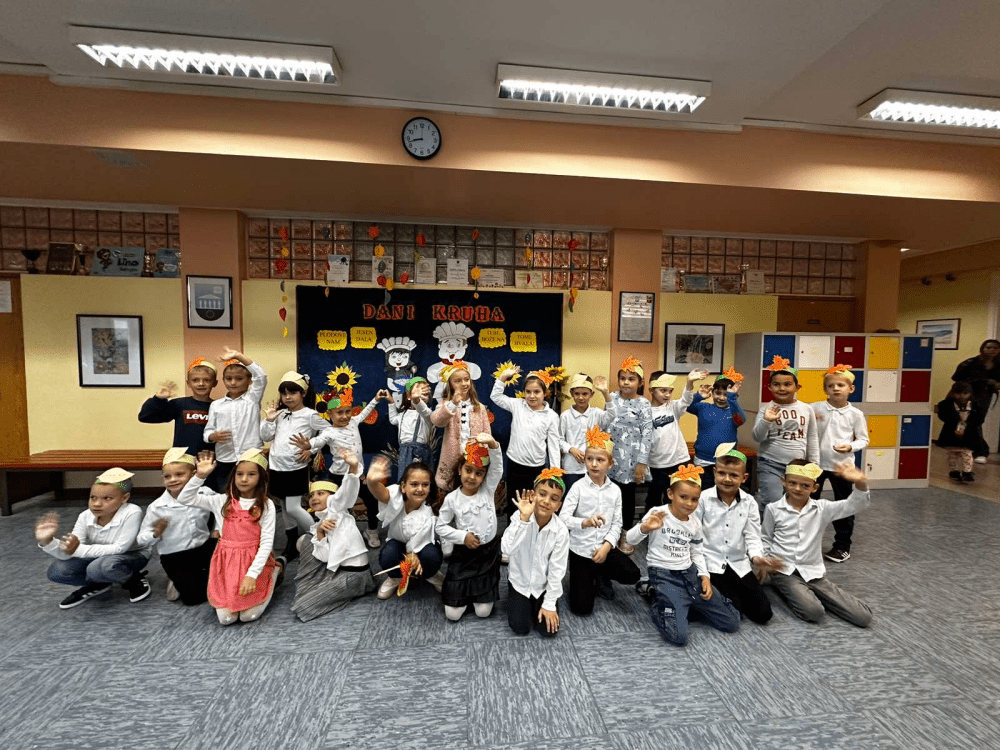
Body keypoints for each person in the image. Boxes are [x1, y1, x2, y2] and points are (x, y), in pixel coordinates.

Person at [628, 464, 740, 646]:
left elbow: (697, 552)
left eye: (695, 499)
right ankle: (657, 600)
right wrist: (644, 528)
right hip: (663, 574)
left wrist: (705, 576)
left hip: (689, 574)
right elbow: (630, 540)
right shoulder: (658, 513)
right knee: (678, 636)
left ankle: (682, 604)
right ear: (670, 494)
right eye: (683, 497)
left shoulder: (695, 523)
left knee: (732, 621)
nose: (689, 504)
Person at [762, 459, 873, 627]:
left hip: (812, 571)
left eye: (805, 485)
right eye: (792, 483)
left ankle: (808, 593)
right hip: (783, 571)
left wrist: (860, 482)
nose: (797, 488)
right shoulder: (773, 509)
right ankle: (790, 589)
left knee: (863, 617)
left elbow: (854, 505)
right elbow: (765, 538)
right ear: (783, 482)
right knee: (814, 612)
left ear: (814, 488)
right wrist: (766, 563)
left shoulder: (822, 508)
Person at [178, 449, 282, 625]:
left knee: (248, 616)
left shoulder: (266, 505)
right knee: (226, 619)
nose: (244, 479)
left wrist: (252, 575)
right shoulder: (220, 500)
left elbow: (266, 543)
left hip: (254, 562)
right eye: (239, 474)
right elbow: (184, 498)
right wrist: (200, 476)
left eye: (251, 474)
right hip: (227, 564)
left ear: (261, 478)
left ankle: (273, 571)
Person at [35, 468, 152, 609]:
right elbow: (70, 552)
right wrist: (48, 541)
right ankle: (99, 584)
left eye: (107, 498)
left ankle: (133, 579)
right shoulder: (85, 516)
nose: (96, 504)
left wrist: (77, 549)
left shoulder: (132, 512)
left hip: (133, 555)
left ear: (124, 498)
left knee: (97, 567)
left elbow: (120, 548)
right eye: (93, 497)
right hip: (101, 556)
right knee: (57, 571)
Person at [693, 443, 782, 624]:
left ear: (744, 477)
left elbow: (752, 535)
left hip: (738, 563)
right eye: (722, 473)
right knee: (734, 610)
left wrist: (757, 558)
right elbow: (694, 537)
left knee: (763, 614)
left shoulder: (749, 502)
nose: (727, 479)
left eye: (734, 475)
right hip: (711, 564)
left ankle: (730, 597)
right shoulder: (702, 499)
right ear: (714, 472)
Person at [559, 426, 640, 612]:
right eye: (589, 459)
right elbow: (563, 518)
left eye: (600, 460)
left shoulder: (615, 491)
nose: (594, 464)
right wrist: (584, 522)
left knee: (632, 574)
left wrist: (606, 546)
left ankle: (602, 574)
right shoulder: (578, 487)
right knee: (581, 609)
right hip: (581, 550)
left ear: (610, 464)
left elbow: (617, 524)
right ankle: (587, 576)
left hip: (604, 548)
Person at [290, 453, 377, 621]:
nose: (315, 498)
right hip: (341, 572)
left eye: (320, 493)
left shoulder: (337, 509)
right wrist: (320, 533)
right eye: (312, 495)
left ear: (332, 497)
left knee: (303, 606)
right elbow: (325, 557)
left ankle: (361, 586)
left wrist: (353, 469)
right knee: (307, 540)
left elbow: (345, 493)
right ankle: (350, 588)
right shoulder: (320, 523)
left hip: (354, 576)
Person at [302, 386, 387, 549]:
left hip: (358, 475)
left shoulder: (354, 422)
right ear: (330, 414)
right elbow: (318, 441)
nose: (345, 416)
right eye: (339, 413)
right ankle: (336, 533)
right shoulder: (328, 431)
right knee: (336, 506)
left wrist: (376, 399)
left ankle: (371, 530)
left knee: (371, 501)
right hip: (338, 477)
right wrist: (309, 445)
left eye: (348, 411)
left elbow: (365, 413)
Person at [260, 371, 327, 560]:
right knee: (284, 505)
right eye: (284, 393)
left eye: (293, 392)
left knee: (293, 507)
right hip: (276, 466)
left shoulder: (310, 415)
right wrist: (269, 419)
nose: (288, 397)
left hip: (295, 467)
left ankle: (318, 535)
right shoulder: (280, 414)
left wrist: (311, 448)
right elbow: (265, 436)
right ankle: (291, 542)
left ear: (303, 393)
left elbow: (329, 432)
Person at [136, 449, 216, 605]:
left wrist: (217, 530)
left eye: (179, 474)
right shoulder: (157, 507)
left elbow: (223, 509)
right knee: (193, 599)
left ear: (193, 475)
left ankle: (197, 576)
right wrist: (155, 533)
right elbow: (141, 540)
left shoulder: (205, 493)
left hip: (204, 549)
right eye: (167, 476)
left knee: (230, 575)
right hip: (175, 557)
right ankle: (179, 579)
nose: (173, 480)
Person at [436, 435, 503, 621]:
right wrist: (462, 536)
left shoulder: (488, 490)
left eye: (479, 473)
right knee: (452, 615)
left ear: (484, 477)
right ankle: (463, 594)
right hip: (464, 557)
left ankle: (478, 595)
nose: (472, 477)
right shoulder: (452, 499)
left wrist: (493, 444)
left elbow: (497, 468)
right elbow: (440, 526)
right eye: (468, 470)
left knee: (483, 612)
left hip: (487, 556)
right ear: (460, 469)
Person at [594, 355, 653, 553]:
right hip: (611, 458)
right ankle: (605, 533)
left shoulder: (644, 404)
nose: (626, 382)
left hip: (631, 461)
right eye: (623, 378)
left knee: (626, 498)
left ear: (640, 382)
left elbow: (647, 434)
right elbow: (604, 425)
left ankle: (625, 534)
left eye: (631, 379)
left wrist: (641, 463)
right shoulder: (611, 397)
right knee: (608, 496)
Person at [811, 365, 870, 563]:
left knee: (844, 506)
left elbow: (863, 439)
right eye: (831, 386)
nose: (836, 388)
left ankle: (842, 546)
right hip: (815, 465)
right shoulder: (815, 408)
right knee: (809, 505)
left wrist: (850, 446)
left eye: (841, 385)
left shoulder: (856, 414)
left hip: (842, 468)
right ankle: (806, 543)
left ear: (851, 389)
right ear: (825, 389)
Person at [366, 457, 444, 599]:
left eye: (425, 485)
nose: (420, 489)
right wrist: (372, 482)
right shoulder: (396, 497)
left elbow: (423, 540)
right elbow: (381, 493)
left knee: (432, 556)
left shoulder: (430, 509)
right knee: (388, 555)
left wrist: (414, 556)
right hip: (398, 543)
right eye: (414, 484)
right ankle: (395, 577)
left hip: (422, 546)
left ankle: (431, 574)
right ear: (403, 486)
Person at [502, 476, 570, 637]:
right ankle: (518, 599)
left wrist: (550, 603)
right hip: (520, 582)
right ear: (533, 496)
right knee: (520, 628)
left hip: (542, 586)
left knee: (548, 631)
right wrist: (523, 519)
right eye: (542, 494)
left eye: (554, 499)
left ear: (558, 506)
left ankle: (540, 603)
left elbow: (557, 570)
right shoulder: (519, 517)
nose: (546, 501)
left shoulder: (561, 531)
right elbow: (506, 549)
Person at [752, 356, 819, 516]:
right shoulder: (766, 409)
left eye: (787, 384)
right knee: (772, 502)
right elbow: (757, 437)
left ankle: (787, 530)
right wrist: (767, 421)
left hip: (797, 466)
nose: (782, 388)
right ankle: (767, 530)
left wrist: (815, 464)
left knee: (794, 504)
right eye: (776, 384)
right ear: (769, 387)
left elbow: (812, 437)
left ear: (797, 387)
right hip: (770, 463)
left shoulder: (806, 409)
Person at [492, 367, 561, 513]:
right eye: (528, 392)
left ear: (545, 393)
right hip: (515, 465)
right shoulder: (518, 405)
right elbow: (496, 396)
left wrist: (555, 472)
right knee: (514, 503)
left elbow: (554, 445)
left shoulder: (551, 416)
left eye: (537, 392)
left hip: (537, 469)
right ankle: (512, 527)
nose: (532, 396)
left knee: (533, 505)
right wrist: (502, 378)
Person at [203, 349, 268, 492]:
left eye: (239, 379)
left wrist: (239, 356)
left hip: (251, 456)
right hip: (225, 458)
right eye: (228, 378)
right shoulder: (216, 405)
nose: (233, 383)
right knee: (226, 494)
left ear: (249, 381)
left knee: (253, 495)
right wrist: (213, 436)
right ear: (223, 380)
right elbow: (207, 431)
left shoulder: (252, 398)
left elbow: (261, 376)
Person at [646, 369, 708, 510]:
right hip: (656, 465)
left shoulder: (673, 407)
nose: (667, 395)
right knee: (654, 498)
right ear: (651, 390)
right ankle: (651, 523)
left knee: (677, 496)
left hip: (678, 461)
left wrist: (689, 383)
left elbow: (686, 400)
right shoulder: (645, 412)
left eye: (670, 391)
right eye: (663, 390)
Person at [430, 362, 492, 497]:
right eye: (457, 381)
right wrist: (453, 403)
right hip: (452, 457)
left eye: (466, 379)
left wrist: (481, 446)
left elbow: (487, 433)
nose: (464, 384)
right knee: (450, 490)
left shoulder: (479, 407)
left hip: (473, 458)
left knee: (471, 490)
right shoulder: (446, 404)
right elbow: (437, 421)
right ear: (450, 384)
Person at [138, 356, 217, 456]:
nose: (201, 384)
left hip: (209, 459)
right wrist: (158, 399)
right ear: (188, 383)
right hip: (182, 459)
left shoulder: (219, 407)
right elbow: (145, 417)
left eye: (207, 380)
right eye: (195, 380)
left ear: (214, 383)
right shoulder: (179, 404)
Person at [687, 368, 747, 489]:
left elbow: (741, 420)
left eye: (726, 394)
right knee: (704, 492)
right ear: (712, 392)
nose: (722, 397)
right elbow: (686, 406)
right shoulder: (703, 407)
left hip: (726, 462)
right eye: (718, 393)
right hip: (703, 461)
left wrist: (732, 398)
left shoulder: (733, 411)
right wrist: (699, 396)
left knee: (724, 491)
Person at [558, 373, 613, 493]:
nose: (581, 397)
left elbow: (612, 415)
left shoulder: (596, 414)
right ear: (571, 393)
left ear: (591, 394)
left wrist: (605, 393)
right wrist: (571, 449)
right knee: (572, 496)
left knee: (590, 497)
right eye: (577, 393)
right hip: (571, 468)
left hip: (592, 467)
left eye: (585, 394)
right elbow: (559, 440)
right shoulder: (565, 416)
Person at [950, 339, 1000, 462]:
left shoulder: (998, 365)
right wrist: (985, 381)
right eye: (988, 347)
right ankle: (981, 451)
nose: (992, 350)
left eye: (995, 348)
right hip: (967, 395)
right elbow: (957, 379)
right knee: (971, 421)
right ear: (982, 349)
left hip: (985, 395)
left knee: (976, 421)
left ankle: (975, 450)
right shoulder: (970, 363)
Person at [936, 381, 986, 484]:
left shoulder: (976, 405)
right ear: (953, 393)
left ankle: (967, 472)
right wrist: (955, 422)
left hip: (968, 434)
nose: (962, 396)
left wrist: (967, 427)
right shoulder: (946, 405)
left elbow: (979, 419)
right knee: (953, 454)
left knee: (967, 453)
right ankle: (954, 471)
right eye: (958, 393)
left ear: (970, 393)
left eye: (965, 393)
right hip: (952, 434)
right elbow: (943, 416)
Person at [387, 376, 435, 475]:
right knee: (404, 477)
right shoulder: (402, 415)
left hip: (420, 452)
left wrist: (416, 399)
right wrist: (391, 402)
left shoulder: (427, 414)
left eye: (425, 393)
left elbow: (421, 408)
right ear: (408, 396)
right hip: (404, 451)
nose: (421, 394)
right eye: (418, 389)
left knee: (420, 477)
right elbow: (393, 420)